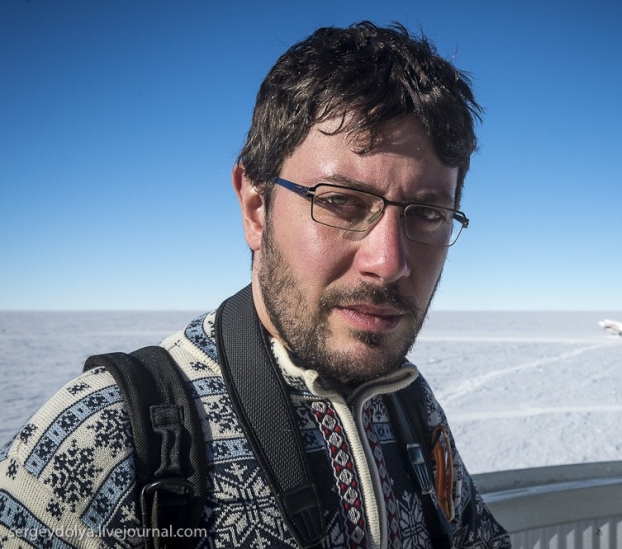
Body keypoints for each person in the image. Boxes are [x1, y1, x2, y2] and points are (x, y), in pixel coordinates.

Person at [0, 22, 510, 548]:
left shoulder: (412, 405)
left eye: (427, 213)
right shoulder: (108, 436)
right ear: (256, 208)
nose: (388, 262)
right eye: (340, 201)